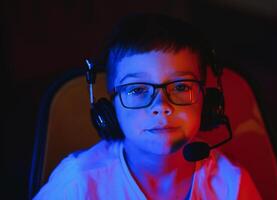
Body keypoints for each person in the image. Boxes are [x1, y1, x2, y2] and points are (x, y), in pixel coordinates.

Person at [33, 13, 262, 199]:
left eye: (181, 87)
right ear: (110, 109)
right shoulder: (78, 185)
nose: (161, 106)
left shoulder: (231, 186)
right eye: (138, 90)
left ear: (209, 101)